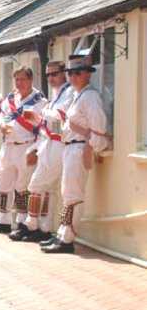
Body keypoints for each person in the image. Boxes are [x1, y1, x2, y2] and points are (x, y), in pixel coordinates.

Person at [41, 55, 108, 254]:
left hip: (79, 148)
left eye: (78, 72)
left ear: (88, 74)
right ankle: (63, 233)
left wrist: (90, 147)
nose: (74, 77)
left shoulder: (90, 97)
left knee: (73, 193)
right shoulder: (77, 96)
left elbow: (99, 128)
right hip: (69, 146)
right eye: (70, 73)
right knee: (67, 192)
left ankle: (68, 238)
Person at [9, 61, 73, 242]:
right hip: (47, 143)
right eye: (48, 75)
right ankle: (43, 227)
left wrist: (40, 116)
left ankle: (31, 225)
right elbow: (46, 124)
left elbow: (61, 118)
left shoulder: (68, 93)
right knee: (46, 189)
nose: (51, 78)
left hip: (60, 144)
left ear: (64, 73)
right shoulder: (56, 94)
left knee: (36, 186)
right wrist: (35, 147)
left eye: (54, 74)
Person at [0, 67, 47, 235]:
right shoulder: (10, 99)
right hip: (8, 145)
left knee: (22, 185)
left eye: (22, 79)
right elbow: (1, 116)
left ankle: (21, 221)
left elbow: (43, 126)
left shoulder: (40, 101)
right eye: (16, 80)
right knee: (3, 183)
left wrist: (36, 150)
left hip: (26, 145)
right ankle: (2, 220)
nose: (19, 83)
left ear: (30, 80)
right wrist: (2, 125)